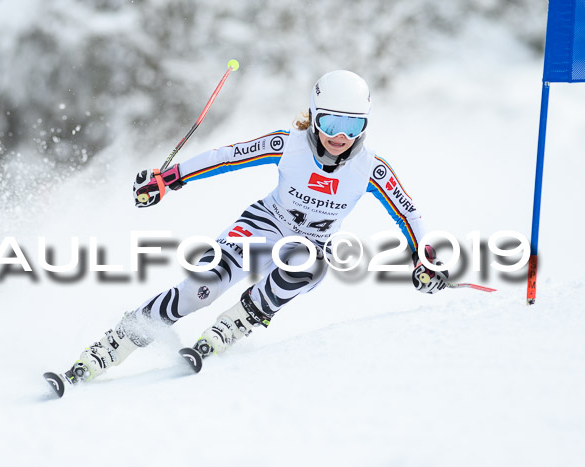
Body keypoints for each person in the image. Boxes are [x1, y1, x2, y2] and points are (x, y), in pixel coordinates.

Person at [63, 70, 448, 384]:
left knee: (310, 264)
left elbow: (409, 213)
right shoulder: (288, 145)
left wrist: (423, 258)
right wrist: (169, 178)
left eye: (352, 126)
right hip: (265, 223)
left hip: (310, 242)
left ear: (364, 126)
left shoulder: (371, 169)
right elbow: (224, 158)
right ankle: (117, 342)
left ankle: (238, 322)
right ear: (314, 116)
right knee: (204, 286)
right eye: (331, 122)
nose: (339, 137)